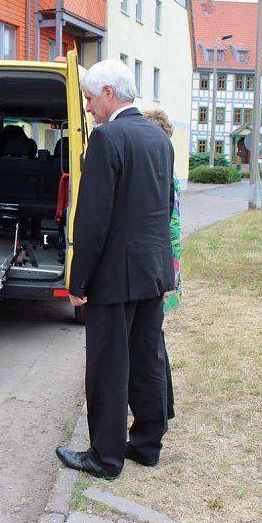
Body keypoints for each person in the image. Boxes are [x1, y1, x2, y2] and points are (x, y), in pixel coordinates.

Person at [55, 60, 175, 479]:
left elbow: (93, 219)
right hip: (153, 272)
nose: (88, 108)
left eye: (89, 98)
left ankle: (105, 457)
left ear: (108, 93)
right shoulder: (160, 139)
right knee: (147, 359)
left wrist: (78, 281)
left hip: (114, 277)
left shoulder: (108, 138)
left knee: (108, 366)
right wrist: (165, 272)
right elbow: (161, 209)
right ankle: (146, 445)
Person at [142, 109, 182, 420]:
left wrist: (170, 274)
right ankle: (164, 406)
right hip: (168, 263)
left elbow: (169, 227)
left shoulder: (163, 177)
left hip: (164, 264)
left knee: (154, 338)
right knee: (156, 337)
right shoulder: (167, 173)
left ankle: (162, 406)